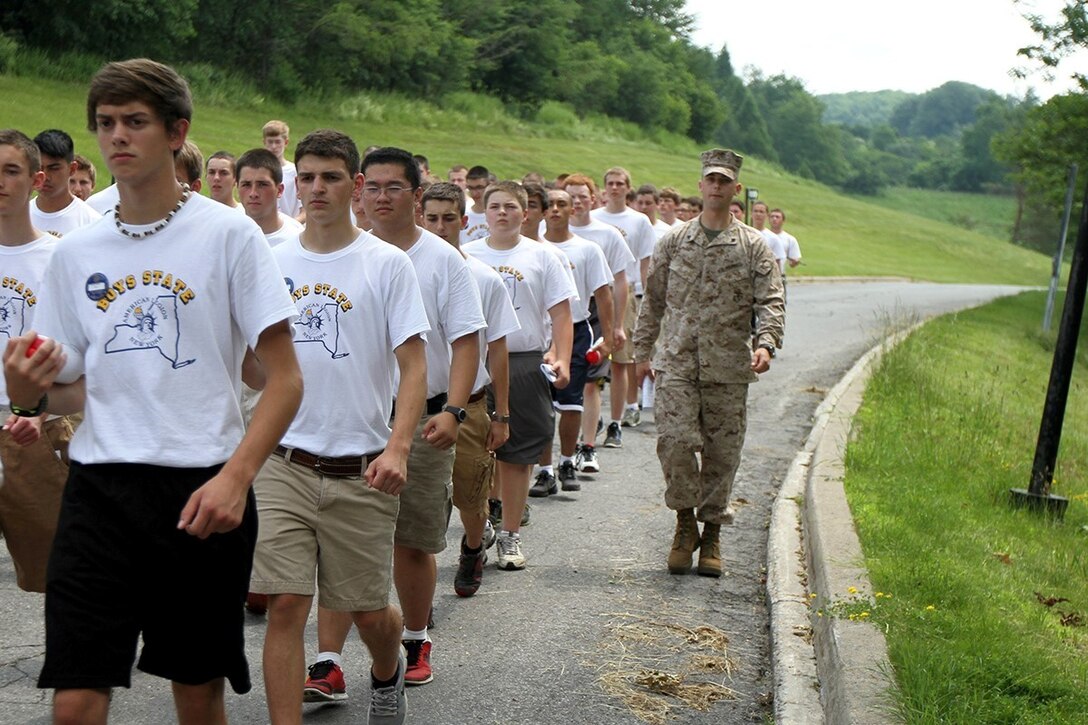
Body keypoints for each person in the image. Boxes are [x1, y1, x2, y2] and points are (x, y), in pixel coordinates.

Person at [3, 58, 303, 725]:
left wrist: (235, 478)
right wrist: (25, 393)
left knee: (196, 694)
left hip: (201, 486)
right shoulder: (75, 253)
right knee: (75, 699)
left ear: (176, 132)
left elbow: (285, 379)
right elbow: (71, 392)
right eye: (107, 123)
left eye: (135, 121)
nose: (118, 136)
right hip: (98, 488)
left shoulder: (229, 235)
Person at [251, 129, 426, 725]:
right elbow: (255, 366)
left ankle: (387, 669)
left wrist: (398, 448)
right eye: (307, 177)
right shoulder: (271, 263)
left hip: (362, 469)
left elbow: (412, 365)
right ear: (294, 184)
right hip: (284, 464)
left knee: (369, 610)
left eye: (330, 177)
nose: (317, 188)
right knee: (284, 606)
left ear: (353, 186)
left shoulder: (386, 264)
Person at [309, 147, 485, 691]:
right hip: (355, 417)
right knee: (339, 539)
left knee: (412, 541)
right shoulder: (345, 253)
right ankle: (328, 660)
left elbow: (464, 341)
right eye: (374, 187)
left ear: (416, 193)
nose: (382, 198)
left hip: (427, 420)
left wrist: (455, 411)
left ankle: (414, 639)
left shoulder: (443, 260)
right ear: (360, 190)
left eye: (394, 188)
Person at [633, 148, 784, 579]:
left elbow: (771, 300)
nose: (716, 187)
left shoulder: (754, 246)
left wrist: (767, 344)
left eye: (724, 181)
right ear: (700, 186)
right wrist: (642, 353)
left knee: (723, 454)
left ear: (735, 188)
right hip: (677, 362)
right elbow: (653, 300)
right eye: (710, 180)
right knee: (675, 444)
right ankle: (684, 523)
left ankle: (712, 530)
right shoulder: (675, 241)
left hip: (728, 367)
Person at [464, 181, 575, 571]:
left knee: (518, 452)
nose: (502, 213)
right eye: (494, 206)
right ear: (484, 211)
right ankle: (483, 524)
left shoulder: (543, 257)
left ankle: (510, 534)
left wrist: (561, 358)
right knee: (476, 450)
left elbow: (562, 314)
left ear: (524, 213)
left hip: (523, 359)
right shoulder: (466, 255)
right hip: (473, 362)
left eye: (510, 207)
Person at [420, 181, 520, 597]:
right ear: (419, 218)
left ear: (464, 222)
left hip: (470, 406)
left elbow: (497, 351)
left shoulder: (484, 278)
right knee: (419, 502)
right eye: (431, 218)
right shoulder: (405, 270)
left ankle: (474, 546)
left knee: (470, 492)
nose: (440, 227)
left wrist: (502, 414)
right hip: (417, 405)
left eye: (448, 219)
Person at [0, 129, 75, 595]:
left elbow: (73, 351)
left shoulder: (59, 258)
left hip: (33, 425)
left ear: (36, 180)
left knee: (56, 571)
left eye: (11, 171)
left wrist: (44, 410)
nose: (0, 182)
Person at [528, 187, 613, 495]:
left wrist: (609, 334)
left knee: (570, 401)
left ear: (571, 209)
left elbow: (604, 295)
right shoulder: (530, 248)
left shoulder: (587, 249)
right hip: (539, 332)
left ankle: (566, 460)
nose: (555, 210)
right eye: (549, 205)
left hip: (576, 330)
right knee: (541, 405)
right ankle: (545, 470)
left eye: (562, 204)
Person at [557, 174, 634, 475]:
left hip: (594, 314)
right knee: (558, 386)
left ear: (594, 198)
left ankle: (587, 447)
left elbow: (620, 281)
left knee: (591, 382)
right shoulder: (545, 232)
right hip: (557, 315)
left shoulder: (607, 235)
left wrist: (617, 324)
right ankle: (555, 455)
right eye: (569, 196)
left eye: (581, 196)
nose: (576, 202)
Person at [591, 167, 655, 445]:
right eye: (610, 184)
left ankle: (616, 421)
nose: (615, 188)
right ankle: (594, 414)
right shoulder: (593, 218)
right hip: (593, 293)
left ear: (628, 188)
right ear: (604, 188)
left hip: (623, 292)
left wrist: (647, 298)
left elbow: (644, 262)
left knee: (621, 359)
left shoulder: (639, 221)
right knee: (591, 359)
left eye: (620, 183)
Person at [30, 129, 101, 237]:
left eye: (54, 168)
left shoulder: (93, 223)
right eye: (40, 168)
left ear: (72, 169)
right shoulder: (15, 218)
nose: (45, 176)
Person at [235, 148, 304, 247]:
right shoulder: (227, 235)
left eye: (262, 185)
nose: (253, 193)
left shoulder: (296, 239)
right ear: (237, 187)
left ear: (279, 190)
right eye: (246, 185)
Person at [263, 120, 300, 218]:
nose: (274, 146)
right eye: (270, 142)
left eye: (278, 142)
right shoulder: (259, 171)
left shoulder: (295, 172)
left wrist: (292, 225)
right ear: (264, 142)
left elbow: (304, 209)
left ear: (286, 142)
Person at [750, 201, 786, 270]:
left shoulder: (773, 238)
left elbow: (777, 263)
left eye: (761, 212)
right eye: (755, 211)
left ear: (767, 215)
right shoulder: (744, 234)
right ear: (751, 214)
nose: (758, 214)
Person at [461, 165, 490, 242]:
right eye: (471, 188)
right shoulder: (464, 215)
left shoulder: (498, 214)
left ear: (489, 186)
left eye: (479, 187)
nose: (474, 193)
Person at [769, 208, 802, 273]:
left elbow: (792, 263)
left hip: (780, 275)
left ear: (783, 221)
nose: (774, 219)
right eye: (772, 216)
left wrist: (794, 262)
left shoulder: (790, 239)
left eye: (777, 217)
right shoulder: (762, 236)